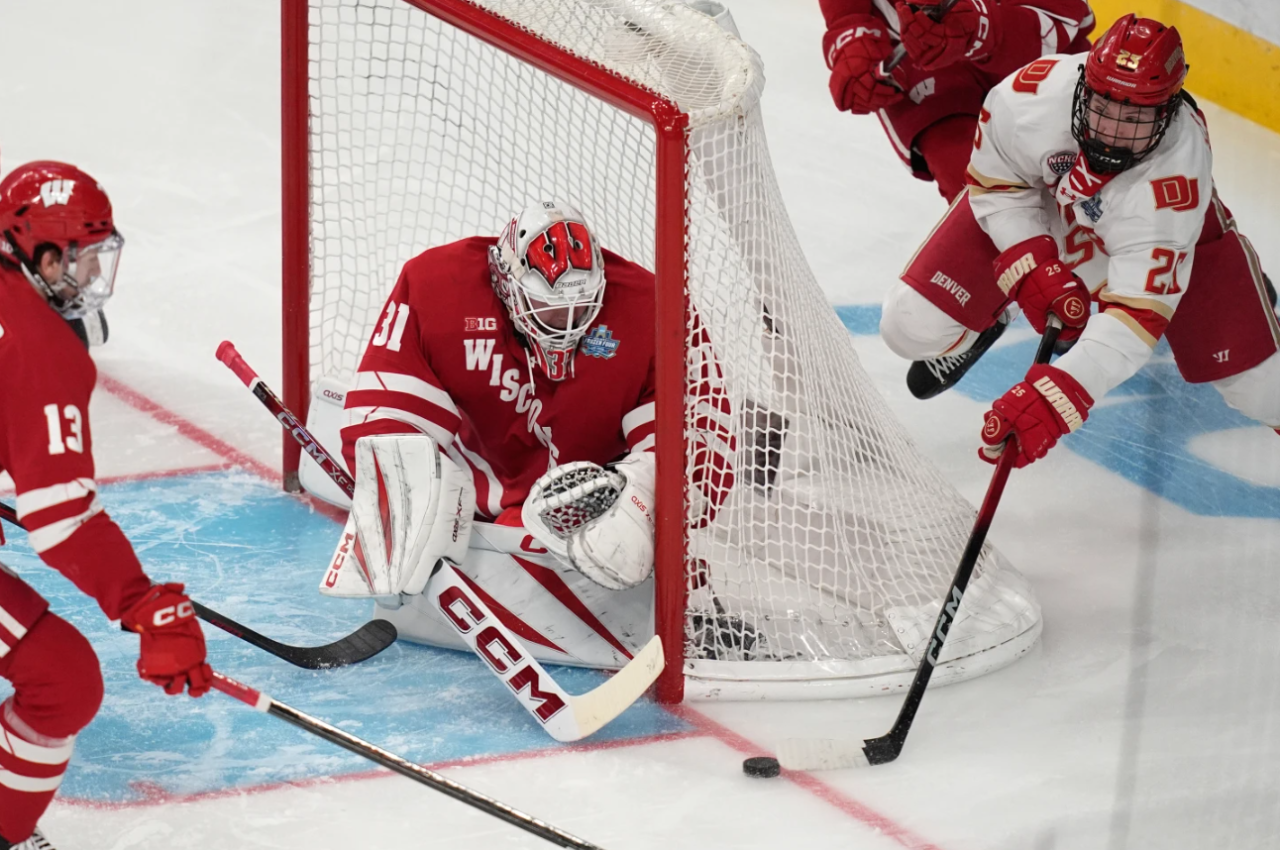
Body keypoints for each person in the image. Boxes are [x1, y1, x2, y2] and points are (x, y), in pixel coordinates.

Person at [322, 200, 733, 669]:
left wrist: (638, 497)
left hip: (586, 511)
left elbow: (709, 444)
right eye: (548, 308)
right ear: (505, 281)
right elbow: (381, 413)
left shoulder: (653, 308)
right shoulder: (437, 286)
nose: (568, 325)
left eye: (582, 307)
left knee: (640, 546)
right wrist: (403, 504)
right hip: (471, 508)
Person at [877, 16, 1279, 464]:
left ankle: (1230, 282)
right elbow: (998, 185)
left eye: (1135, 117)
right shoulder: (1028, 98)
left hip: (1154, 238)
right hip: (1051, 207)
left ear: (1168, 112)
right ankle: (998, 311)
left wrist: (1057, 398)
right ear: (1083, 83)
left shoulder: (1174, 175)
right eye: (1104, 107)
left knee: (1264, 389)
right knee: (908, 324)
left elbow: (1133, 318)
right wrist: (1028, 261)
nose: (1112, 130)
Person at [0, 161, 212, 850]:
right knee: (60, 681)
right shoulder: (38, 344)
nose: (91, 280)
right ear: (46, 254)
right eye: (85, 261)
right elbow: (61, 522)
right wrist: (143, 603)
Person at [819, 0, 1096, 203]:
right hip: (914, 48)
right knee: (969, 180)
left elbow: (1058, 12)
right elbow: (847, 16)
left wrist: (980, 28)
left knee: (1101, 157)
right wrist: (851, 37)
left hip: (1014, 21)